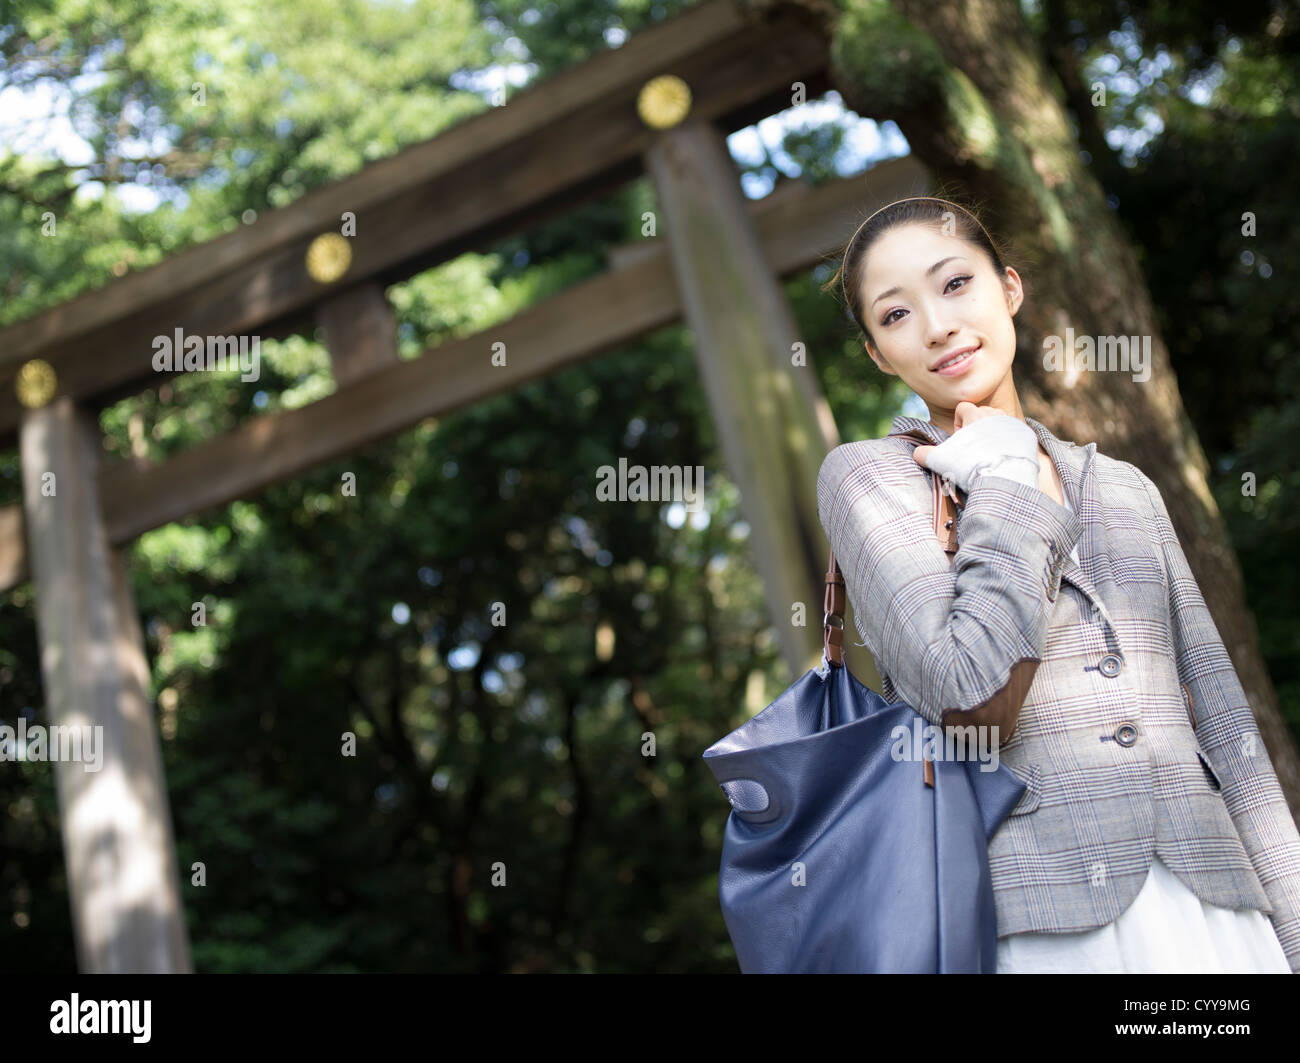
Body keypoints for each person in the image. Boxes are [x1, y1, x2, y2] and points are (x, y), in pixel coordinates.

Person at [815, 195, 1300, 973]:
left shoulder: (1124, 487)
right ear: (877, 353)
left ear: (1008, 289)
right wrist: (1007, 476)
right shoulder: (870, 477)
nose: (938, 326)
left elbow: (1226, 725)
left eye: (954, 285)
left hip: (1221, 910)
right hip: (1043, 920)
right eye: (896, 314)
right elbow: (970, 695)